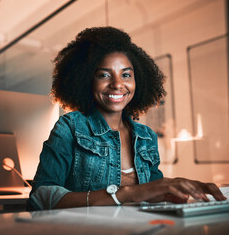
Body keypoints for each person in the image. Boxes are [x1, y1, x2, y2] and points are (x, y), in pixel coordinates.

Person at [27, 27, 226, 211]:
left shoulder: (147, 136)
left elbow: (151, 194)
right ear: (87, 79)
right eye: (104, 75)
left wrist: (179, 191)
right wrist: (127, 193)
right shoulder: (70, 127)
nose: (117, 84)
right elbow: (41, 196)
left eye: (126, 75)